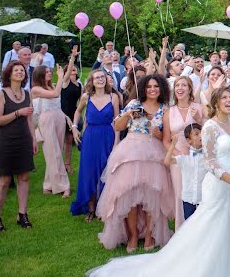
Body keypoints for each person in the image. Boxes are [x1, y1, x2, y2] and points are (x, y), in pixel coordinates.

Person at [87, 87, 230, 277]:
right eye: (225, 98)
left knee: (228, 225)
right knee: (209, 227)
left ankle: (229, 267)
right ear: (216, 103)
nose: (229, 101)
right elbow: (210, 162)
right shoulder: (209, 126)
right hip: (219, 186)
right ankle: (200, 269)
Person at [96, 74, 174, 252]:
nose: (152, 89)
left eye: (156, 86)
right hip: (130, 151)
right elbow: (118, 126)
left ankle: (148, 235)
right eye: (149, 87)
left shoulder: (165, 109)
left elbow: (166, 136)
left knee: (151, 196)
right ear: (143, 89)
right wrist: (128, 115)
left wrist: (158, 134)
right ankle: (131, 235)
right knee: (129, 196)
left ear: (161, 89)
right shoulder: (133, 104)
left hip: (153, 153)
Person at [0, 61, 36, 231]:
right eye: (16, 70)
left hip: (24, 139)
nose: (19, 72)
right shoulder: (1, 94)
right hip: (7, 140)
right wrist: (18, 113)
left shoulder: (27, 93)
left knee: (24, 177)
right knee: (4, 180)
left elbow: (30, 119)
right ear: (9, 74)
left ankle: (22, 215)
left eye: (22, 70)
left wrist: (33, 139)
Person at [70, 70, 120, 221]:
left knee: (107, 171)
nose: (100, 79)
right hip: (90, 137)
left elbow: (117, 120)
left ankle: (104, 207)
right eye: (97, 77)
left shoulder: (113, 97)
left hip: (108, 135)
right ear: (92, 80)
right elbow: (77, 112)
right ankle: (91, 208)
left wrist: (117, 141)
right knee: (90, 172)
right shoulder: (86, 97)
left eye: (102, 77)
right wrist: (74, 128)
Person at [162, 75, 205, 230]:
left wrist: (198, 118)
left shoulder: (198, 108)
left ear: (190, 89)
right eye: (177, 85)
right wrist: (177, 153)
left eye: (184, 85)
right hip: (178, 159)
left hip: (198, 157)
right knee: (180, 193)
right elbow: (166, 140)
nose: (180, 88)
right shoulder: (169, 112)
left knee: (199, 192)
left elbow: (206, 133)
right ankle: (182, 230)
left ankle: (201, 229)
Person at [30, 65, 72, 197]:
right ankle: (64, 185)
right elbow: (55, 94)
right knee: (53, 153)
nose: (49, 73)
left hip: (59, 117)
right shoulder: (36, 89)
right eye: (46, 72)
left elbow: (64, 81)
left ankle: (48, 184)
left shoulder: (52, 85)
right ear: (39, 75)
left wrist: (71, 60)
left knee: (57, 150)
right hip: (46, 120)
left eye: (49, 71)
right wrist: (60, 77)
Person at [164, 123, 206, 221]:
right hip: (188, 197)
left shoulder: (208, 157)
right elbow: (167, 161)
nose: (200, 136)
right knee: (189, 224)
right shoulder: (185, 158)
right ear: (189, 140)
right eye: (196, 134)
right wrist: (173, 145)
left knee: (203, 223)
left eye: (202, 133)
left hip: (204, 197)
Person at [60, 47, 82, 173]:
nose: (73, 70)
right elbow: (68, 70)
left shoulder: (79, 85)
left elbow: (80, 102)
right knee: (60, 140)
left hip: (73, 113)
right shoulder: (65, 81)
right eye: (71, 69)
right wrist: (73, 58)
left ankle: (67, 164)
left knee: (69, 140)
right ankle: (57, 163)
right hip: (62, 113)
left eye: (74, 69)